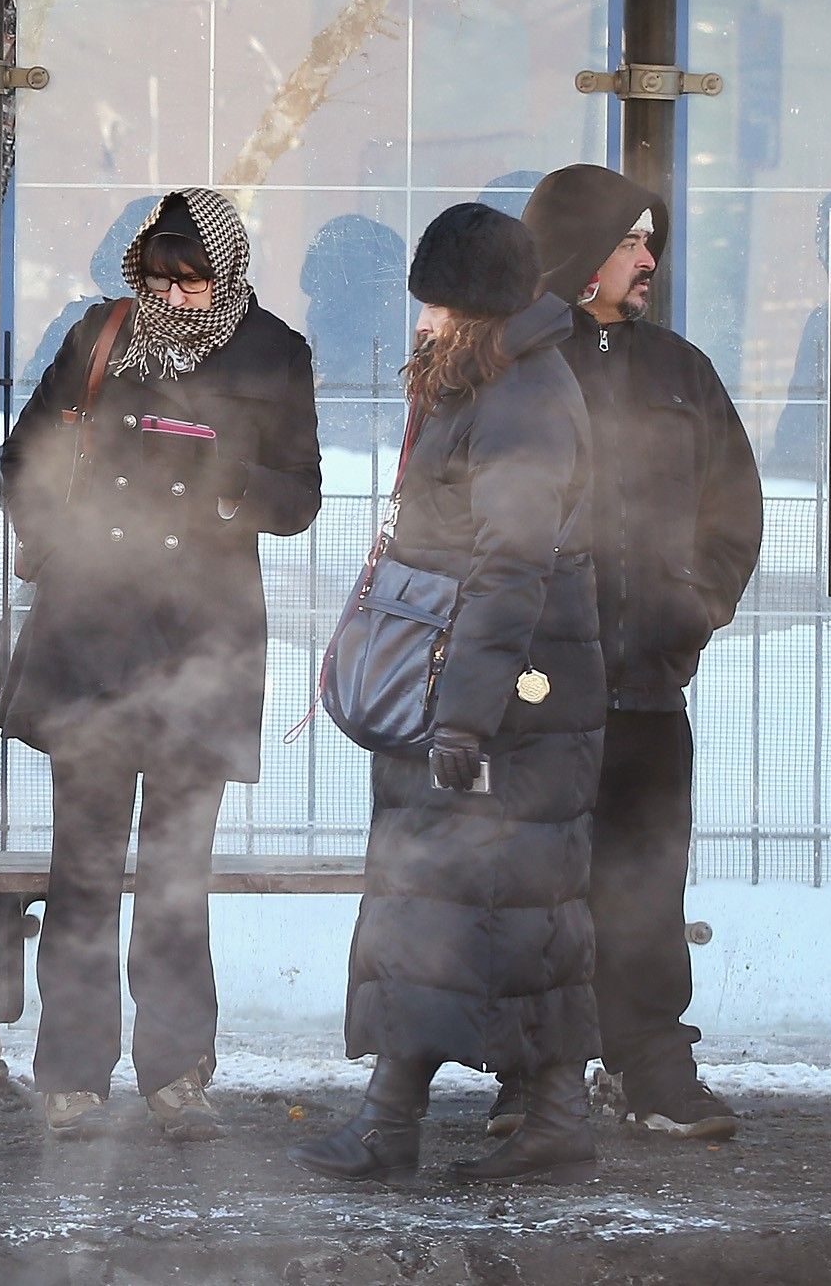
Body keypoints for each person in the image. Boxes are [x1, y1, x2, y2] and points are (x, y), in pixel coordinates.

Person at [291, 202, 604, 1187]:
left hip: (495, 701)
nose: (419, 319)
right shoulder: (493, 383)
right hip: (485, 690)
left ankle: (421, 1124)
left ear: (472, 309)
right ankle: (494, 1118)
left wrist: (463, 715)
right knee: (479, 908)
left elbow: (513, 567)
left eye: (433, 302)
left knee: (478, 910)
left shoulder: (521, 403)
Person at [0, 187, 321, 1142]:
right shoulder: (100, 336)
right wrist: (72, 540)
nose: (175, 299)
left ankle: (177, 1070)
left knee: (180, 869)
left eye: (194, 280)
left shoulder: (274, 351)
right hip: (93, 633)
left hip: (203, 641)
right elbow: (24, 458)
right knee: (85, 865)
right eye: (159, 278)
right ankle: (72, 1076)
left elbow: (301, 494)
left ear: (227, 274)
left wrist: (227, 491)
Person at [516, 165, 762, 1141]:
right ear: (578, 254)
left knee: (646, 880)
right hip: (532, 689)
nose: (649, 259)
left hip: (650, 683)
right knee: (532, 883)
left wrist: (690, 611)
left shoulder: (678, 369)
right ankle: (534, 1076)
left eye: (651, 240)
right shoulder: (513, 364)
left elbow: (732, 507)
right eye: (630, 242)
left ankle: (652, 1067)